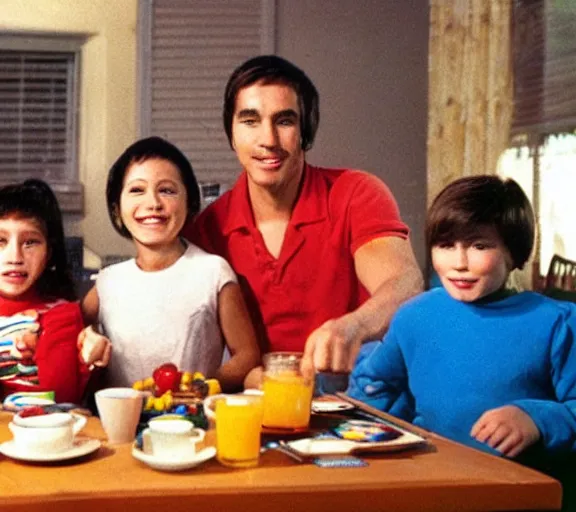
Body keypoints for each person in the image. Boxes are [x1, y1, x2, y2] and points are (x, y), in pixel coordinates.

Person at [182, 55, 423, 388]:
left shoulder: (356, 194)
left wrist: (354, 326)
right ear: (232, 134)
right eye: (250, 121)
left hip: (357, 407)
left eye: (284, 121)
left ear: (305, 131)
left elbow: (405, 284)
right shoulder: (207, 230)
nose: (268, 139)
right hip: (259, 410)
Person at [348, 175, 576, 464]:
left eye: (479, 246)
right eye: (445, 245)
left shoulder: (557, 323)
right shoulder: (414, 315)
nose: (459, 263)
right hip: (429, 481)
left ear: (514, 252)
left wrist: (536, 419)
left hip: (518, 491)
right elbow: (374, 386)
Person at [80, 136, 260, 392]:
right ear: (117, 209)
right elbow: (68, 332)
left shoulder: (212, 271)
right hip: (121, 426)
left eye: (167, 190)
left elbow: (246, 356)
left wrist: (201, 388)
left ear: (189, 203)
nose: (153, 203)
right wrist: (87, 341)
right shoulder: (108, 281)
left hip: (191, 422)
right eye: (136, 190)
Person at [0, 179, 88, 403]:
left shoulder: (63, 314)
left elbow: (60, 399)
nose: (15, 258)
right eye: (0, 241)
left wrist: (43, 344)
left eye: (30, 242)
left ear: (49, 253)